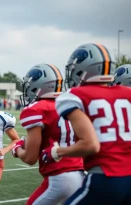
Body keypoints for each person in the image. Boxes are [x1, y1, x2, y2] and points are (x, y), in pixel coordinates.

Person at [45, 43, 131, 204]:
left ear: (84, 69)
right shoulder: (128, 94)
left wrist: (57, 152)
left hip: (106, 177)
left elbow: (91, 145)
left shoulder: (74, 96)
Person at [12, 64, 84, 205]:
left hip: (59, 178)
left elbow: (30, 158)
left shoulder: (37, 109)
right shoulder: (70, 103)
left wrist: (17, 149)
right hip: (81, 176)